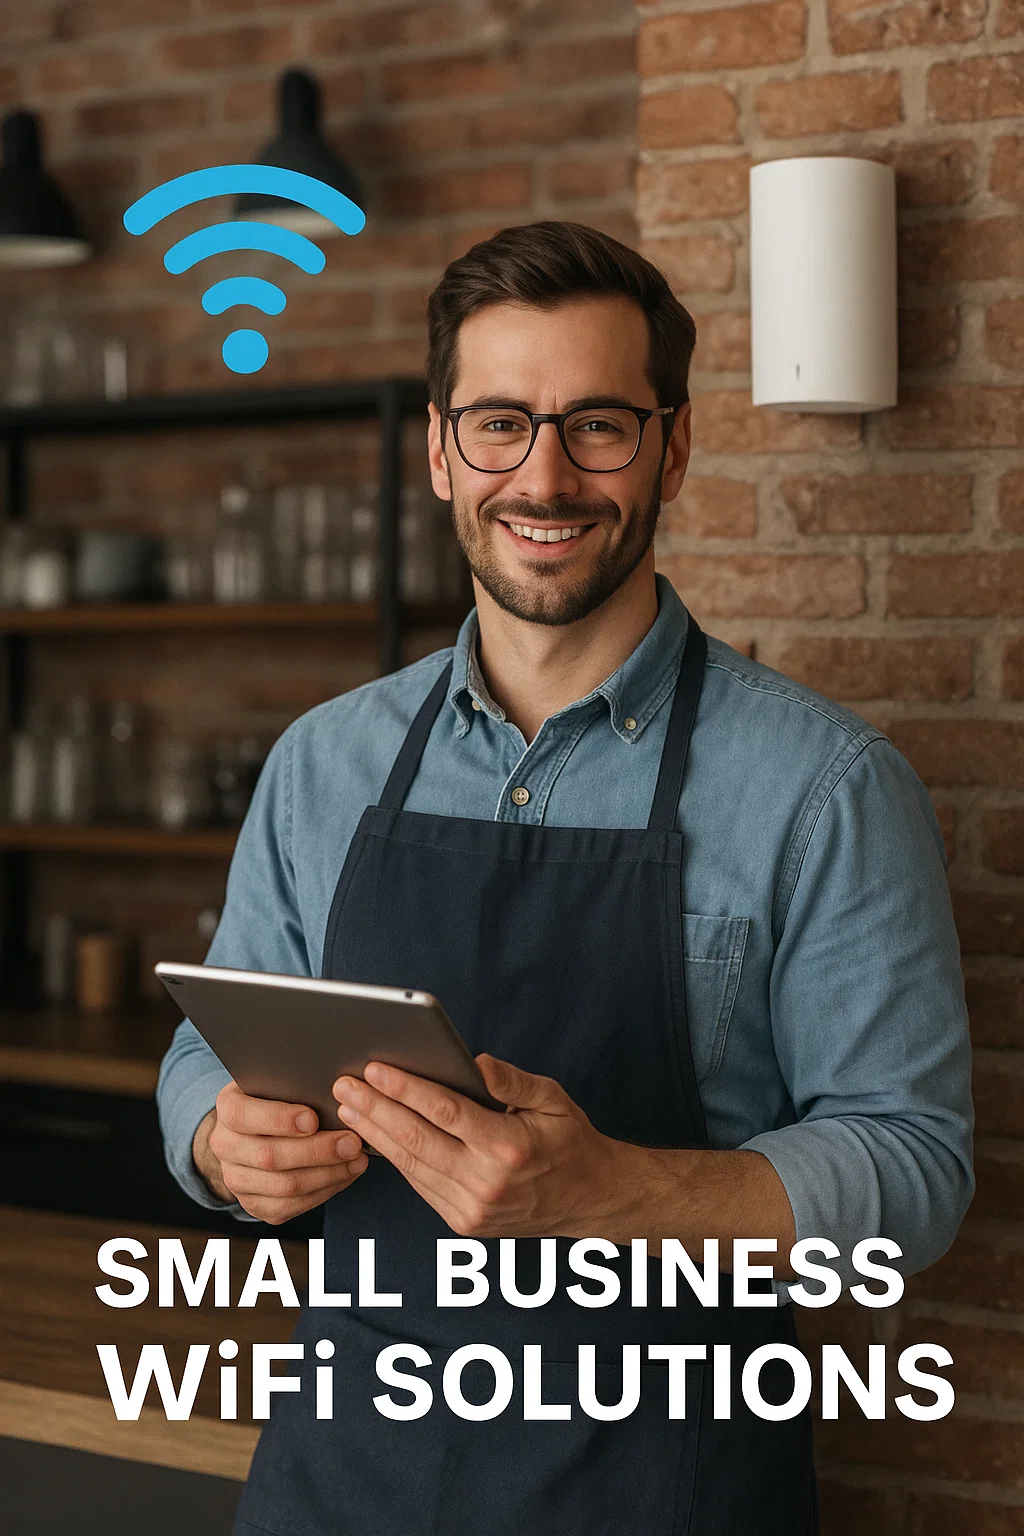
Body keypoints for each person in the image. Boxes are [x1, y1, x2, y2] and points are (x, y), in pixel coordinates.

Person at [157, 220, 974, 1536]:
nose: (544, 476)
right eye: (498, 424)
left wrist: (612, 1194)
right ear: (439, 450)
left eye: (598, 423)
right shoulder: (324, 764)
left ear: (674, 444)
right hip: (340, 1485)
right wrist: (214, 1137)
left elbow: (915, 1167)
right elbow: (210, 1049)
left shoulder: (826, 785)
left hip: (665, 1492)